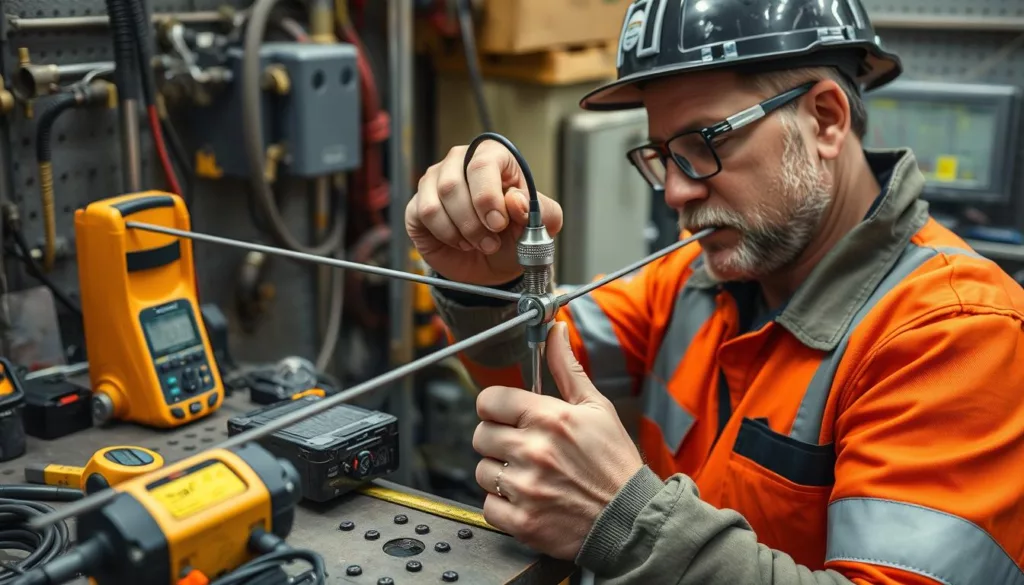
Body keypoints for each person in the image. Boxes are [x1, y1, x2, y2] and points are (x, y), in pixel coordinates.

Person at [406, 0, 1024, 583]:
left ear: (827, 118)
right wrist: (485, 278)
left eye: (704, 144)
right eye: (661, 154)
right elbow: (529, 376)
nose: (676, 193)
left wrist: (628, 523)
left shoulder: (959, 335)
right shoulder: (696, 281)